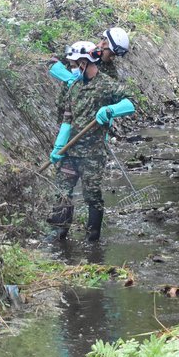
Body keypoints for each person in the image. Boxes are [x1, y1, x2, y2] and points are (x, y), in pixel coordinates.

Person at [47, 43, 135, 242]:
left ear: (84, 63)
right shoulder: (75, 87)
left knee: (92, 195)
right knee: (62, 190)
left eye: (74, 64)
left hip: (93, 154)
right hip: (70, 152)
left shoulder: (106, 85)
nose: (72, 69)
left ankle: (92, 240)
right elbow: (67, 119)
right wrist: (59, 147)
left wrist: (110, 110)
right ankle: (59, 236)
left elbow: (130, 103)